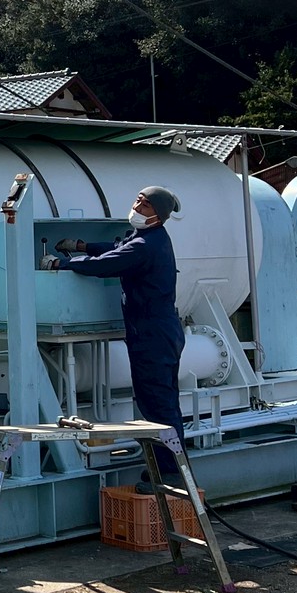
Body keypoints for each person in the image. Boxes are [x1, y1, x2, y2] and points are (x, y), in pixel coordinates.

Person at [49, 185, 186, 483]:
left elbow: (108, 263)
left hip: (153, 336)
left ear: (158, 215)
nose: (137, 207)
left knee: (158, 406)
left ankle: (171, 474)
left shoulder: (147, 245)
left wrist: (63, 263)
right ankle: (169, 469)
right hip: (156, 332)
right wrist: (83, 246)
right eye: (138, 200)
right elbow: (116, 248)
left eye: (146, 205)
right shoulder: (145, 237)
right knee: (160, 402)